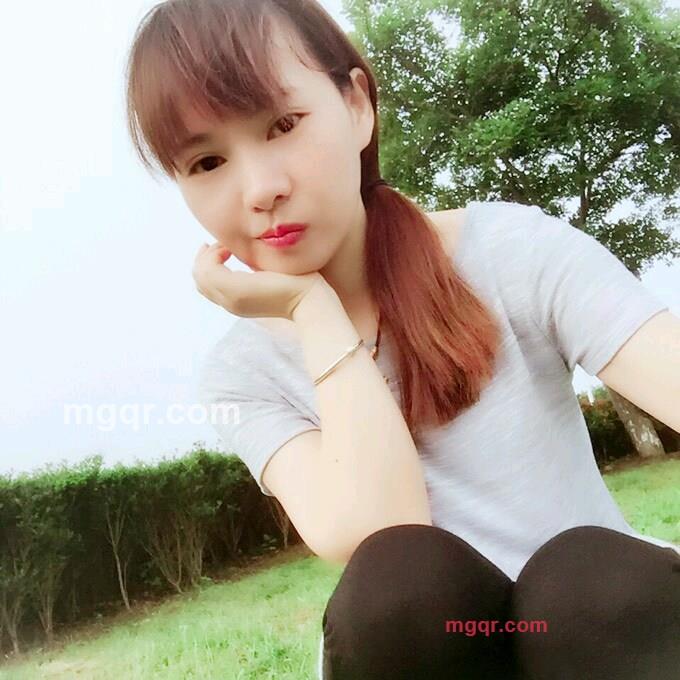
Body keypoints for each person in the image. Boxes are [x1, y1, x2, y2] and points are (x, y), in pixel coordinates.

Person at [124, 1, 680, 678]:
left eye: (283, 125)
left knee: (587, 584)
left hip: (602, 643)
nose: (262, 189)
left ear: (357, 105)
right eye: (207, 161)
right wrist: (312, 312)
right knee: (399, 585)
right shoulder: (243, 376)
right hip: (419, 652)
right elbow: (383, 536)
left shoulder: (508, 252)